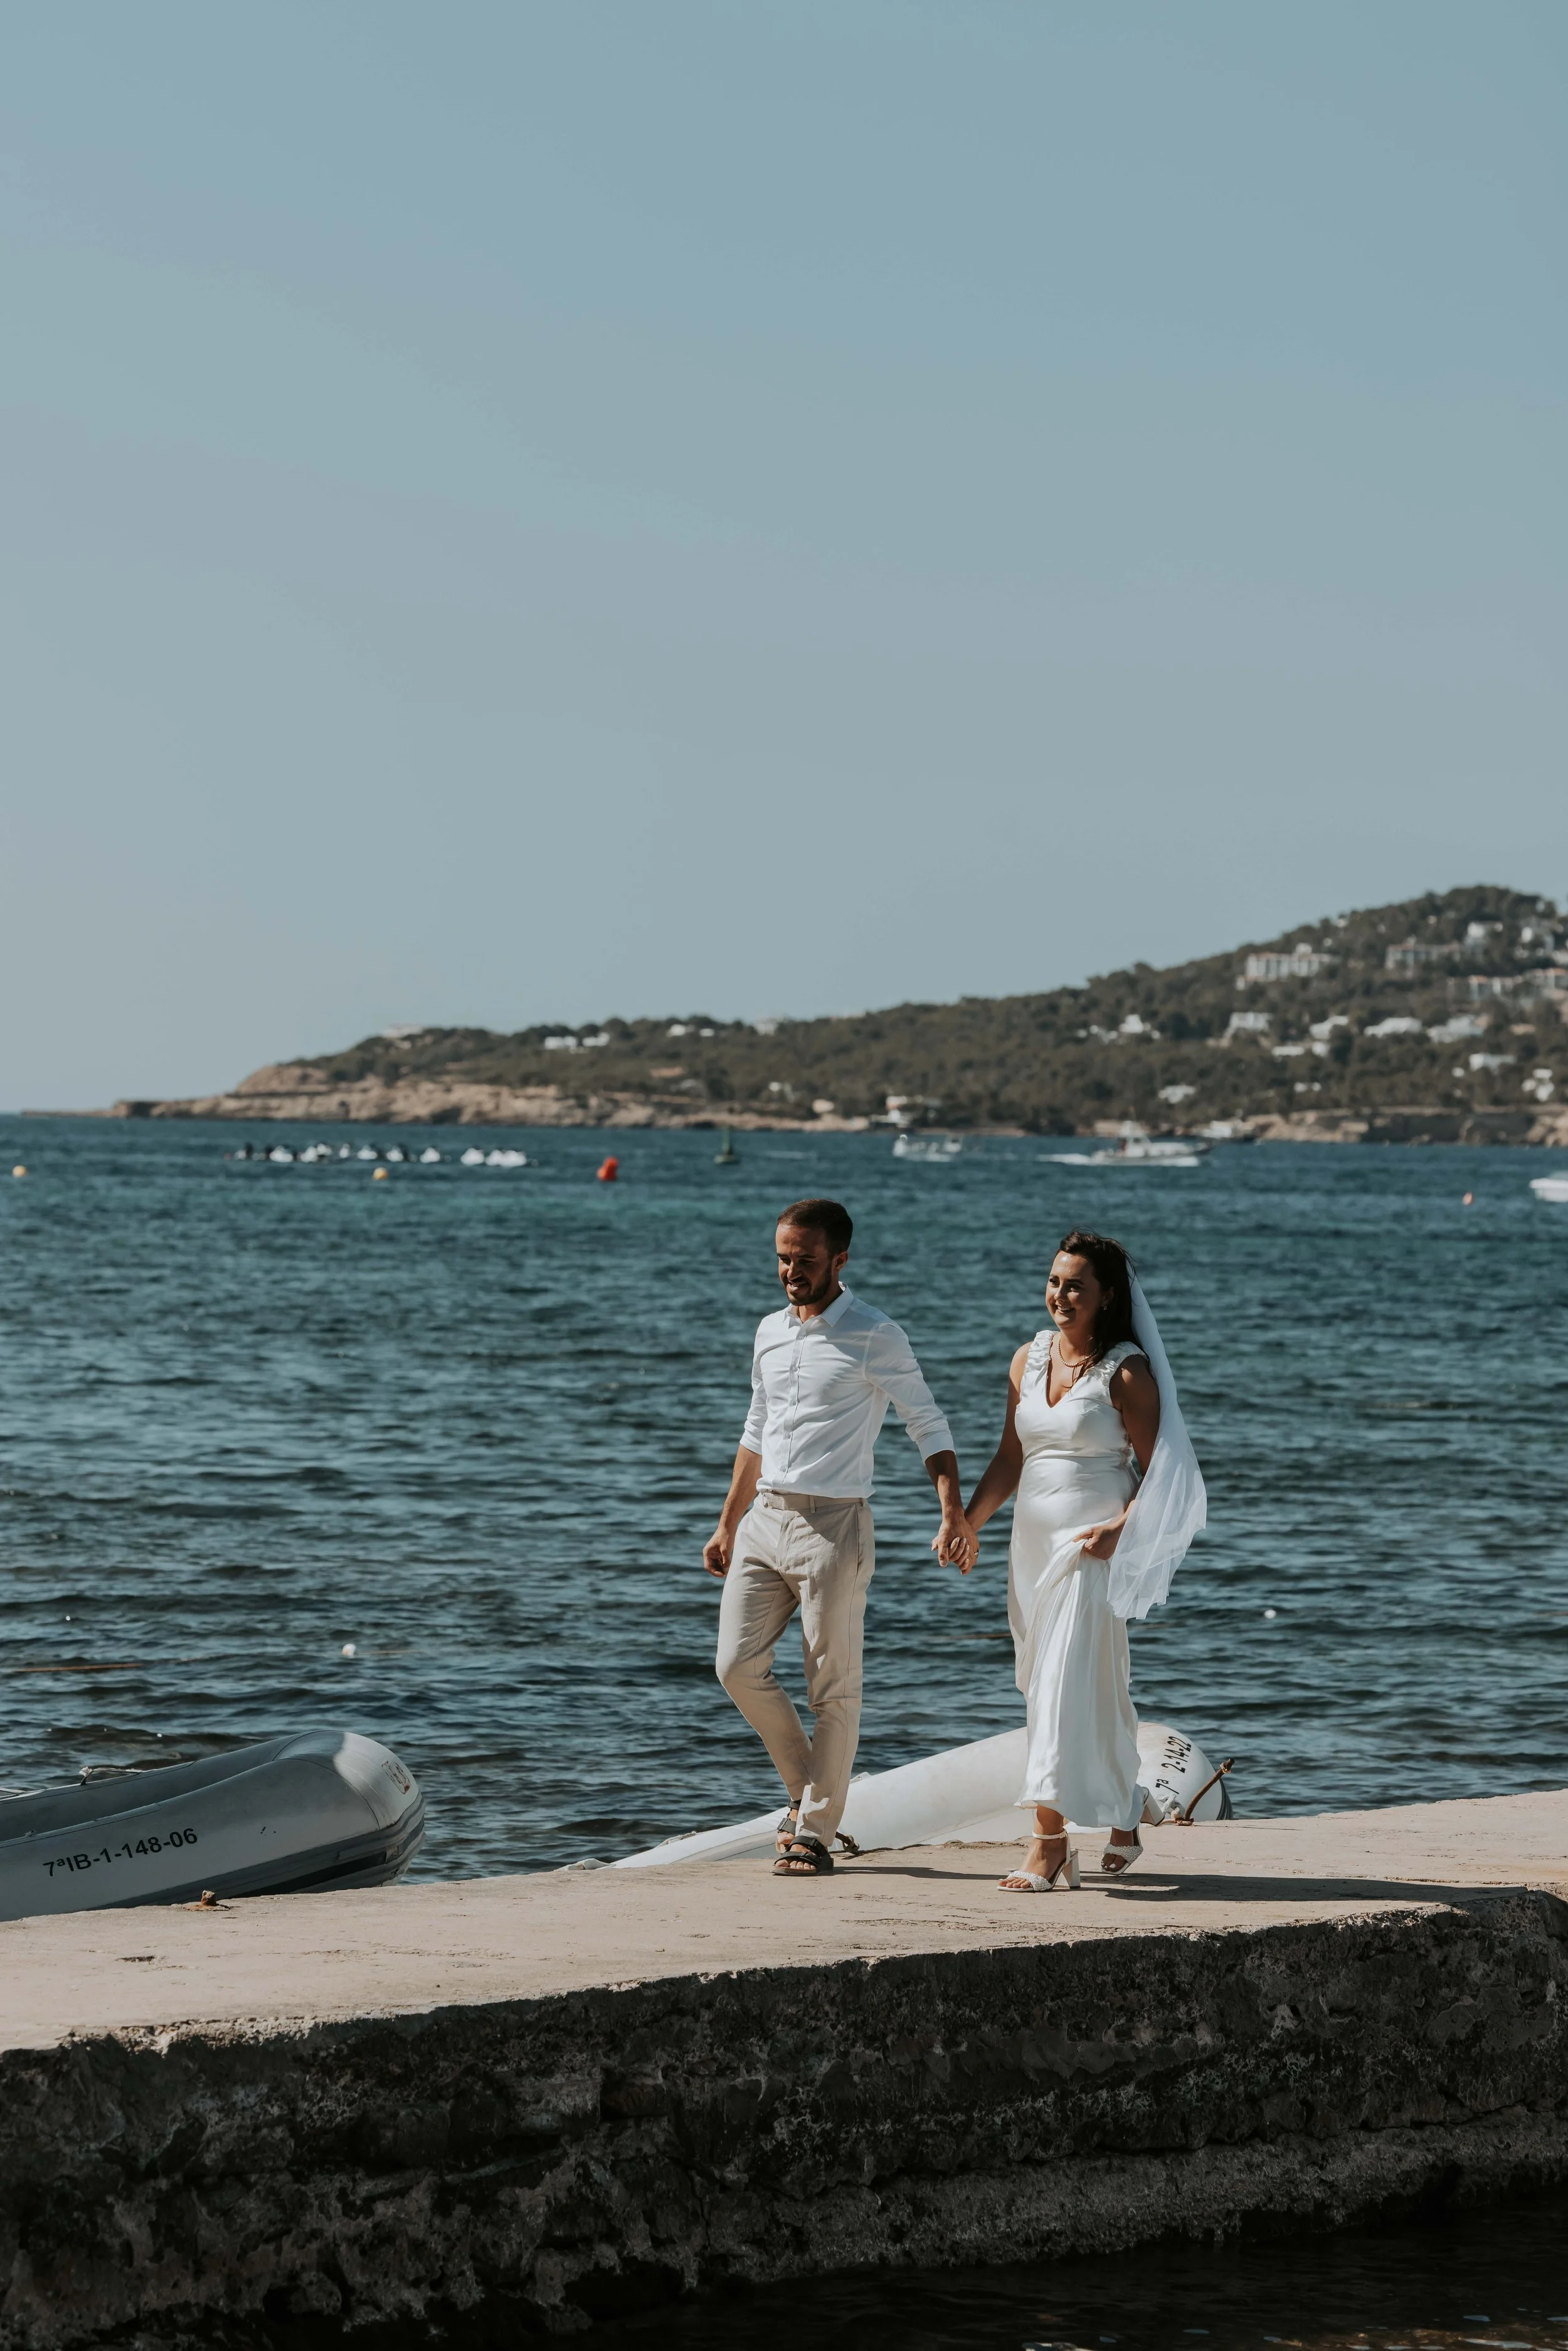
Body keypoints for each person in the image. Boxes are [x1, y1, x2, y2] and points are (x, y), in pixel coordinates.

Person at [703, 1197, 975, 1877]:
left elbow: (927, 1423)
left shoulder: (875, 1334)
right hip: (766, 1518)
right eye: (783, 1258)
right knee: (735, 1666)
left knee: (833, 1687)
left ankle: (816, 1829)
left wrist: (952, 1512)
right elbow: (755, 1431)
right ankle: (807, 1793)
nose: (791, 1271)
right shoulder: (769, 1331)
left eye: (806, 1260)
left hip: (835, 1526)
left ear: (840, 1261)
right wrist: (727, 1521)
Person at [962, 1229, 1205, 1891]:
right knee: (1078, 1686)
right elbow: (1011, 1458)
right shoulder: (1026, 1359)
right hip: (1030, 1547)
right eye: (1054, 1281)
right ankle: (1126, 1810)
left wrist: (1121, 1530)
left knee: (1060, 1688)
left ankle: (1049, 1844)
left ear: (1106, 1296)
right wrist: (964, 1521)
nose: (1061, 1295)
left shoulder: (1126, 1372)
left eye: (1076, 1285)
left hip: (1090, 1548)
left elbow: (1166, 1475)